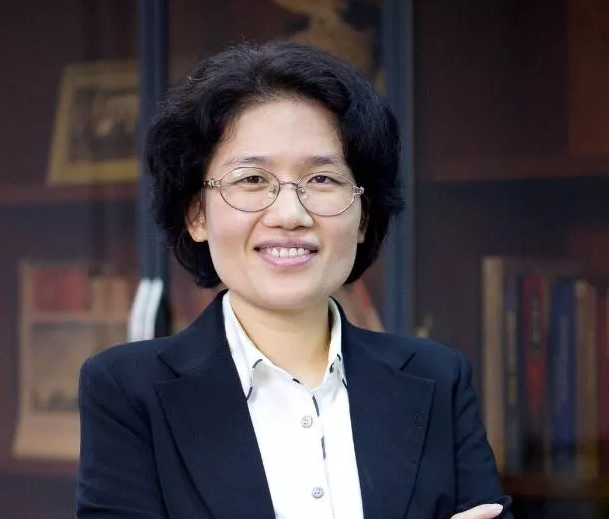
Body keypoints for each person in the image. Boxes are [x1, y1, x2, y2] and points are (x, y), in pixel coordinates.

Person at [75, 41, 513, 519]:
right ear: (197, 214)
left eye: (322, 180)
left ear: (363, 216)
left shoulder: (438, 378)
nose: (290, 214)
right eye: (252, 180)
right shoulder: (127, 390)